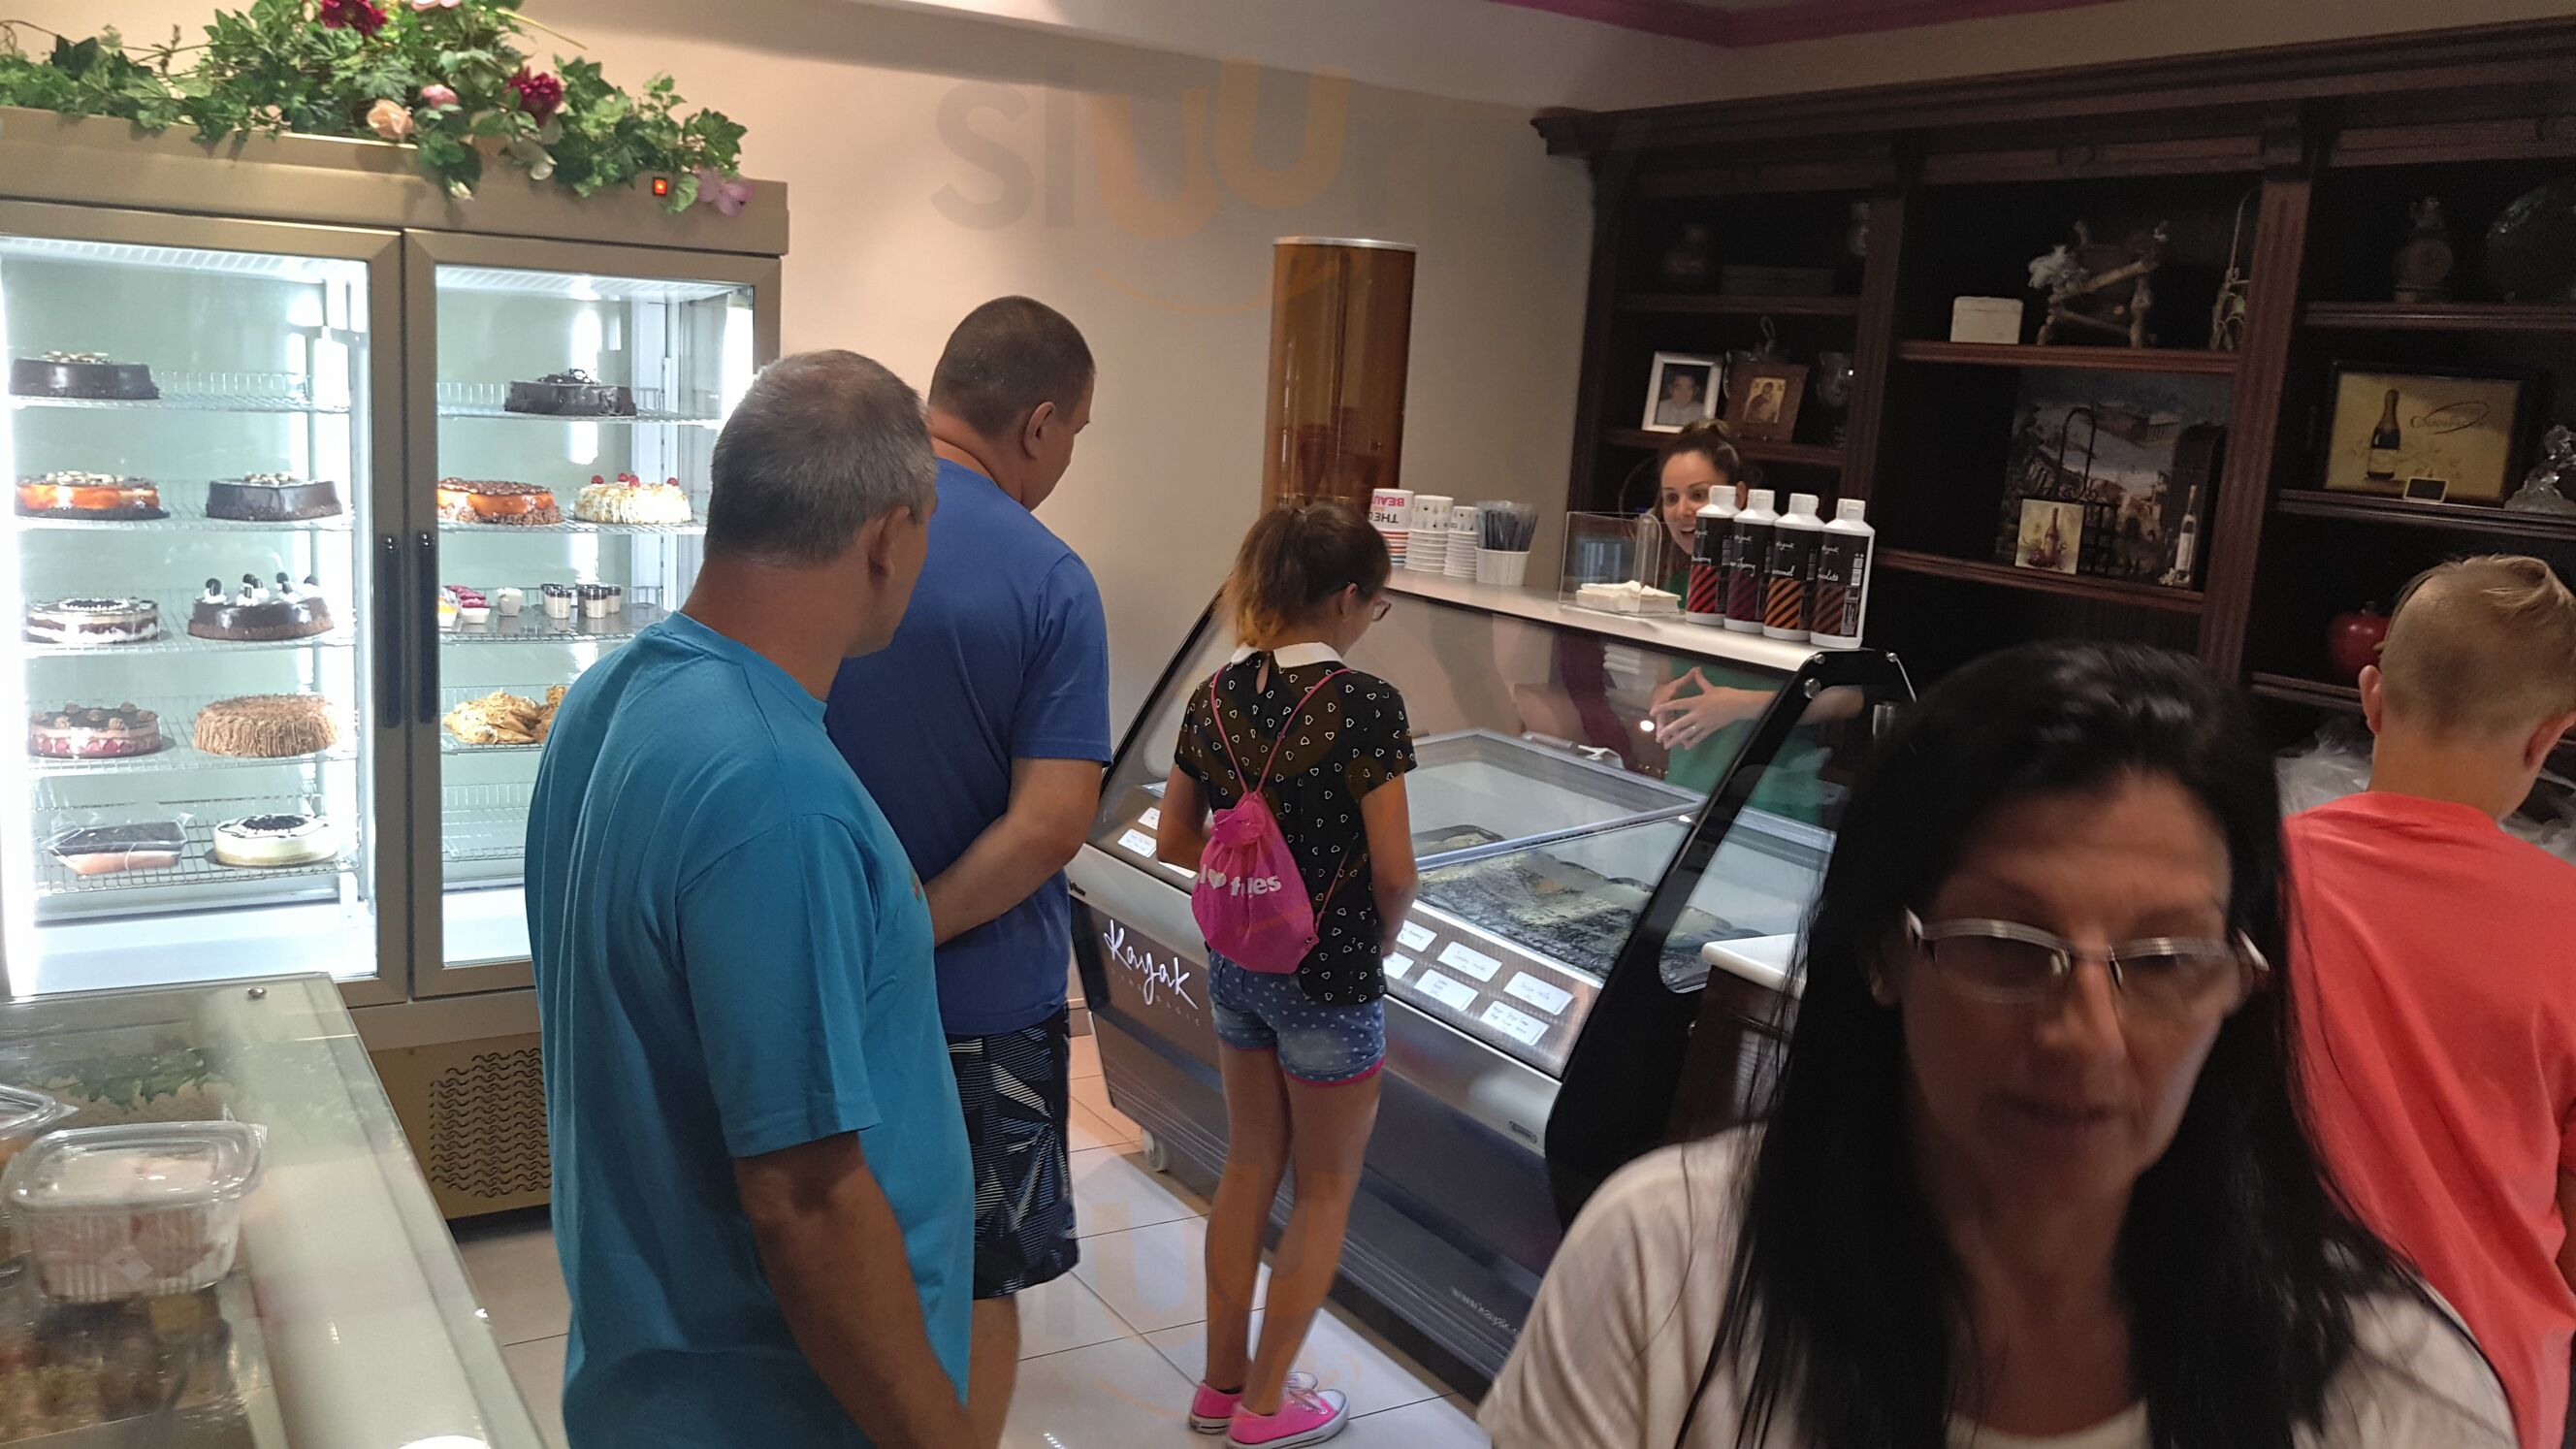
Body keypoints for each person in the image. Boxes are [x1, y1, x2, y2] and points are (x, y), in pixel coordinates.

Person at [1482, 641, 2512, 1449]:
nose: (2086, 1038)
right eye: (2008, 946)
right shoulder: (1666, 1271)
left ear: (2240, 988)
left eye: (2163, 961)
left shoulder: (2400, 1391)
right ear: (1883, 951)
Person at [526, 351, 974, 1449]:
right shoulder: (776, 792)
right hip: (780, 1407)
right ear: (889, 535)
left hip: (643, 1380)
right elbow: (806, 1201)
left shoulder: (608, 697)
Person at [825, 296, 1109, 1447]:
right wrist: (913, 927)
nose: (1068, 455)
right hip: (979, 1007)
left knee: (825, 1246)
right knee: (977, 1279)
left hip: (816, 985)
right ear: (1038, 424)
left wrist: (860, 940)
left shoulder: (834, 535)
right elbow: (1049, 825)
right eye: (1076, 430)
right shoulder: (1049, 579)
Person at [2289, 555, 2576, 1449]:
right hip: (2485, 1389)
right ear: (2548, 737)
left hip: (2268, 1350)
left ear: (2372, 698)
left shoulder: (2252, 873)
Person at [1154, 502, 1417, 1449]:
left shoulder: (1215, 694)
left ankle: (1220, 1385)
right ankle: (1268, 1408)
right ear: (1346, 597)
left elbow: (1175, 837)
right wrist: (1375, 945)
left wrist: (1259, 881)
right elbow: (1395, 872)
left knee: (1247, 1165)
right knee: (1324, 1186)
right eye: (1376, 603)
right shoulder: (1366, 704)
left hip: (1239, 967)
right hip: (1331, 978)